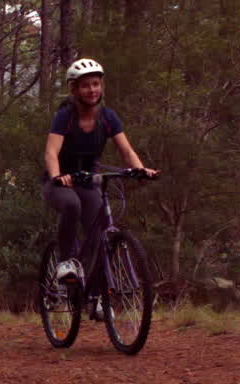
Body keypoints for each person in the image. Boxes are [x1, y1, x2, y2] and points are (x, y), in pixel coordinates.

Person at [43, 58, 158, 284]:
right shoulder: (66, 116)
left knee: (99, 227)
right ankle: (65, 263)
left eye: (95, 84)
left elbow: (126, 151)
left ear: (101, 86)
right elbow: (50, 152)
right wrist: (57, 176)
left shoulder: (108, 117)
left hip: (87, 180)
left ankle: (94, 293)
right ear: (75, 89)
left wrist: (141, 170)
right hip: (60, 181)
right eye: (85, 85)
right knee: (71, 205)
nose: (91, 90)